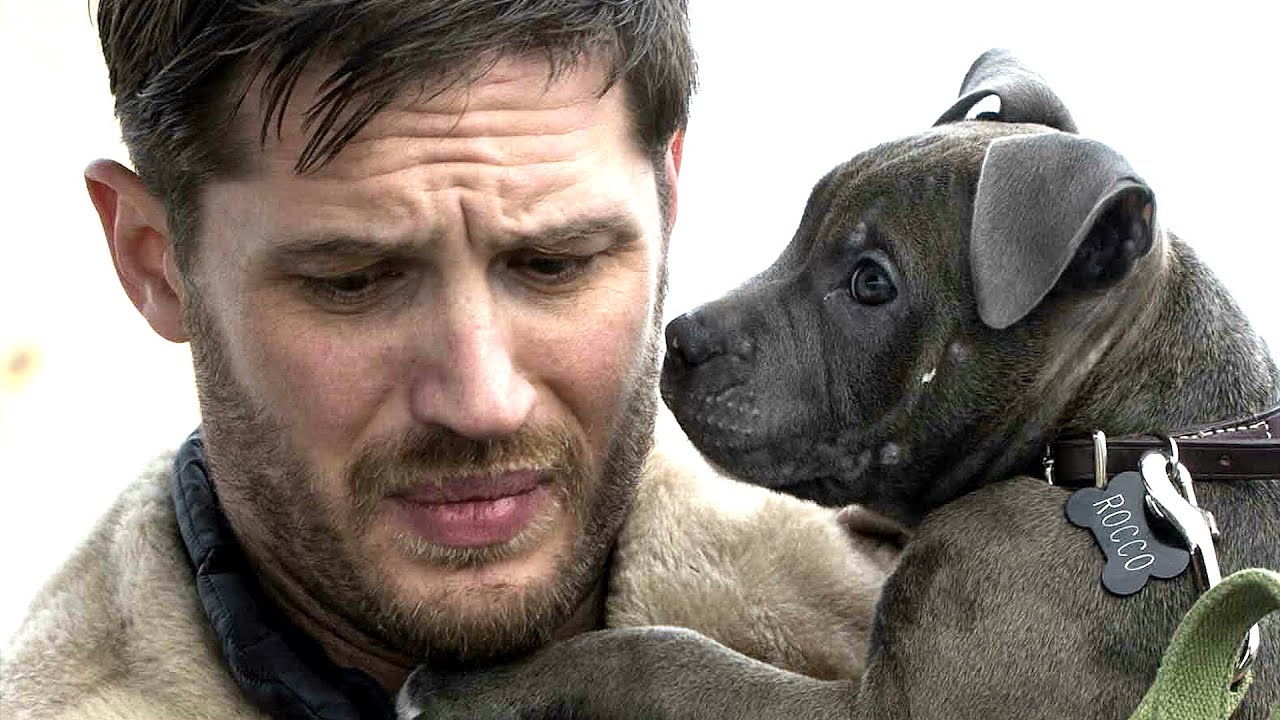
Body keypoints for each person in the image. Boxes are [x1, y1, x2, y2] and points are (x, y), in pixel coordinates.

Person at [1, 2, 895, 718]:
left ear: (667, 199)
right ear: (154, 259)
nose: (481, 400)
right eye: (353, 282)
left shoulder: (899, 638)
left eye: (554, 264)